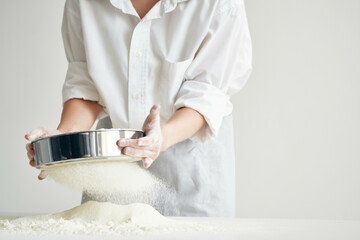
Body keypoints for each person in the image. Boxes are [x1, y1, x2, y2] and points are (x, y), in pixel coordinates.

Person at [25, 0, 252, 217]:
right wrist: (63, 137)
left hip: (192, 166)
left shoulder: (221, 3)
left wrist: (161, 138)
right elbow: (86, 83)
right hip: (113, 158)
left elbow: (206, 93)